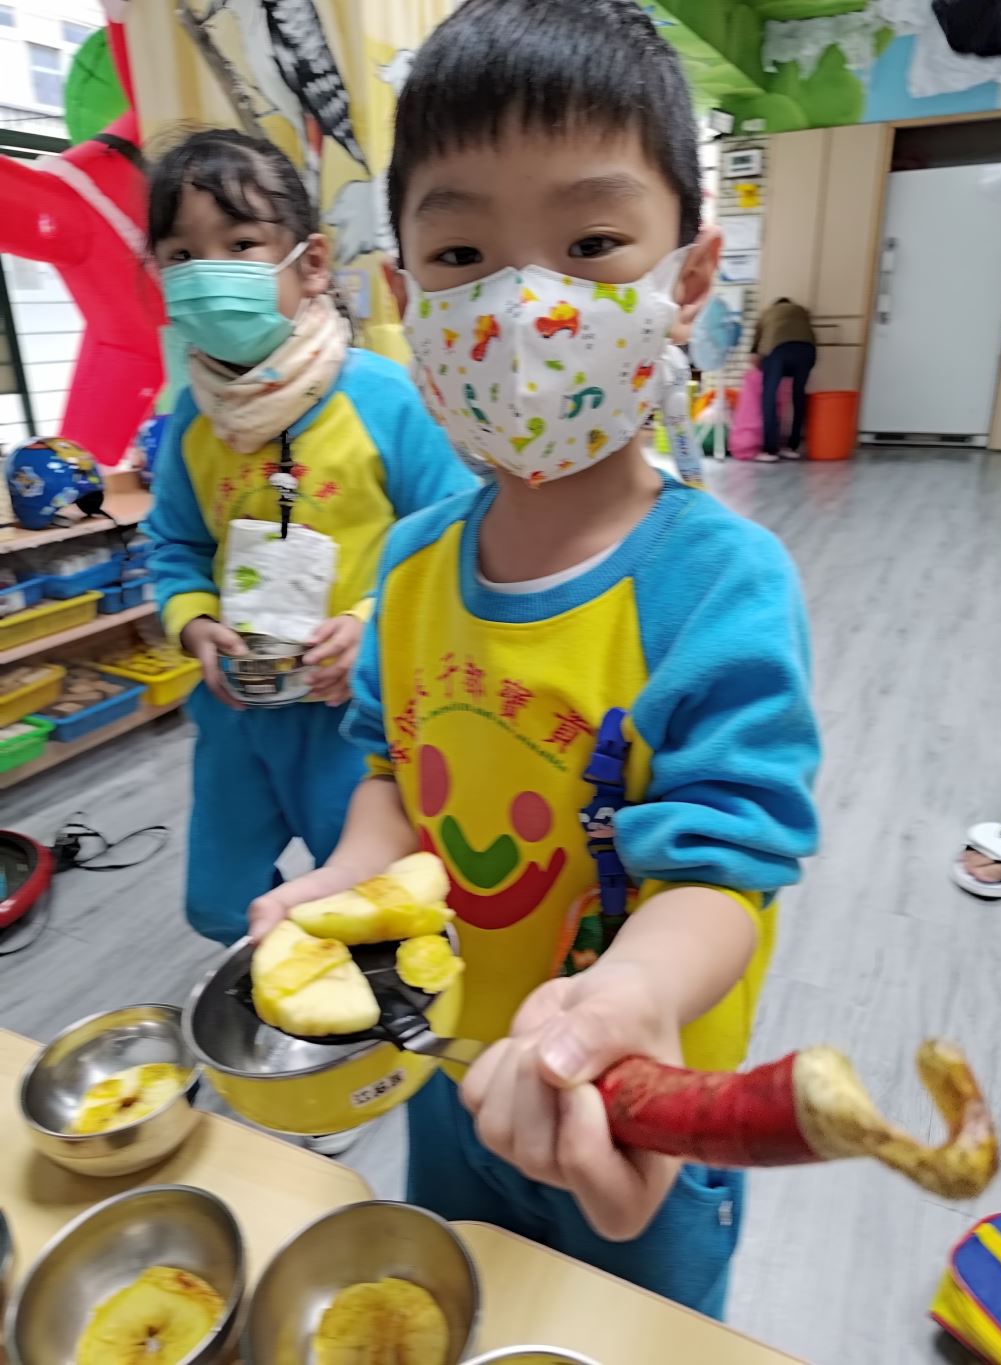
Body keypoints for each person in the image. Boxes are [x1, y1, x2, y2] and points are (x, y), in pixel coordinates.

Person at [250, 0, 820, 1318]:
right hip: (452, 1074)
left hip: (637, 1103)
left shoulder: (719, 588)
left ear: (686, 278)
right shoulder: (410, 570)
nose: (523, 308)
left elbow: (723, 869)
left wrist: (625, 1001)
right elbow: (392, 774)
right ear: (405, 299)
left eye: (590, 244)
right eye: (462, 252)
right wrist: (346, 878)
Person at [145, 129, 473, 947]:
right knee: (219, 903)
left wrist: (369, 623)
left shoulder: (384, 400)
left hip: (353, 718)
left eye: (240, 245)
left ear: (313, 262)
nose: (208, 272)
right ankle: (278, 974)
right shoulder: (191, 421)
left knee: (364, 900)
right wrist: (194, 621)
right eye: (181, 254)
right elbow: (175, 545)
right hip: (239, 713)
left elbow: (454, 541)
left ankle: (352, 997)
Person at [751, 297, 817, 461]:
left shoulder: (767, 312)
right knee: (798, 395)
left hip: (778, 348)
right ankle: (792, 447)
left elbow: (756, 345)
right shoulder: (801, 311)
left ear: (776, 305)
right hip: (807, 350)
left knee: (769, 395)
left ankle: (770, 450)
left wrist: (758, 359)